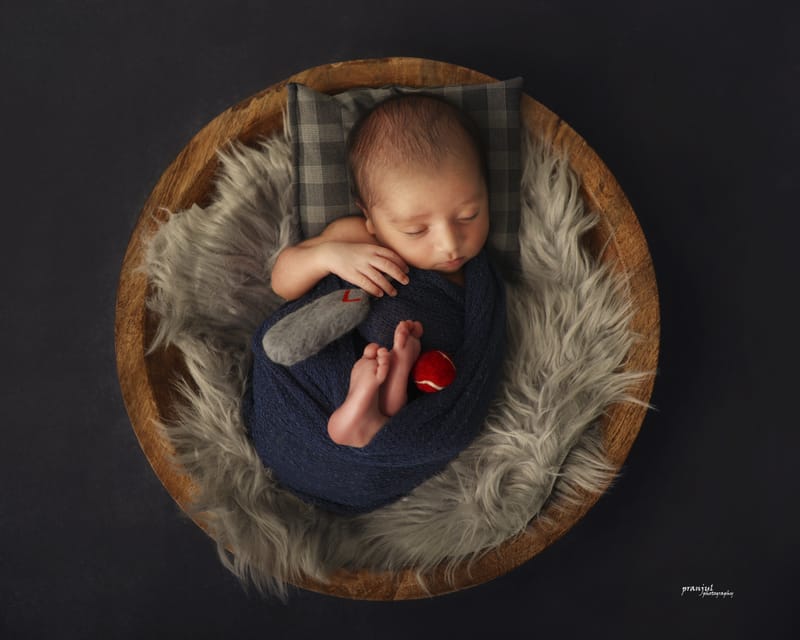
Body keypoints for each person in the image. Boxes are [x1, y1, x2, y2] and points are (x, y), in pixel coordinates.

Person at [270, 94, 490, 448]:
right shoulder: (355, 237)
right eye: (416, 231)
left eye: (469, 215)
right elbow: (282, 282)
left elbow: (482, 357)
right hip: (340, 371)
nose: (451, 245)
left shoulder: (482, 280)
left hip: (423, 396)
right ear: (370, 217)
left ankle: (383, 407)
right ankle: (365, 399)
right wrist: (328, 256)